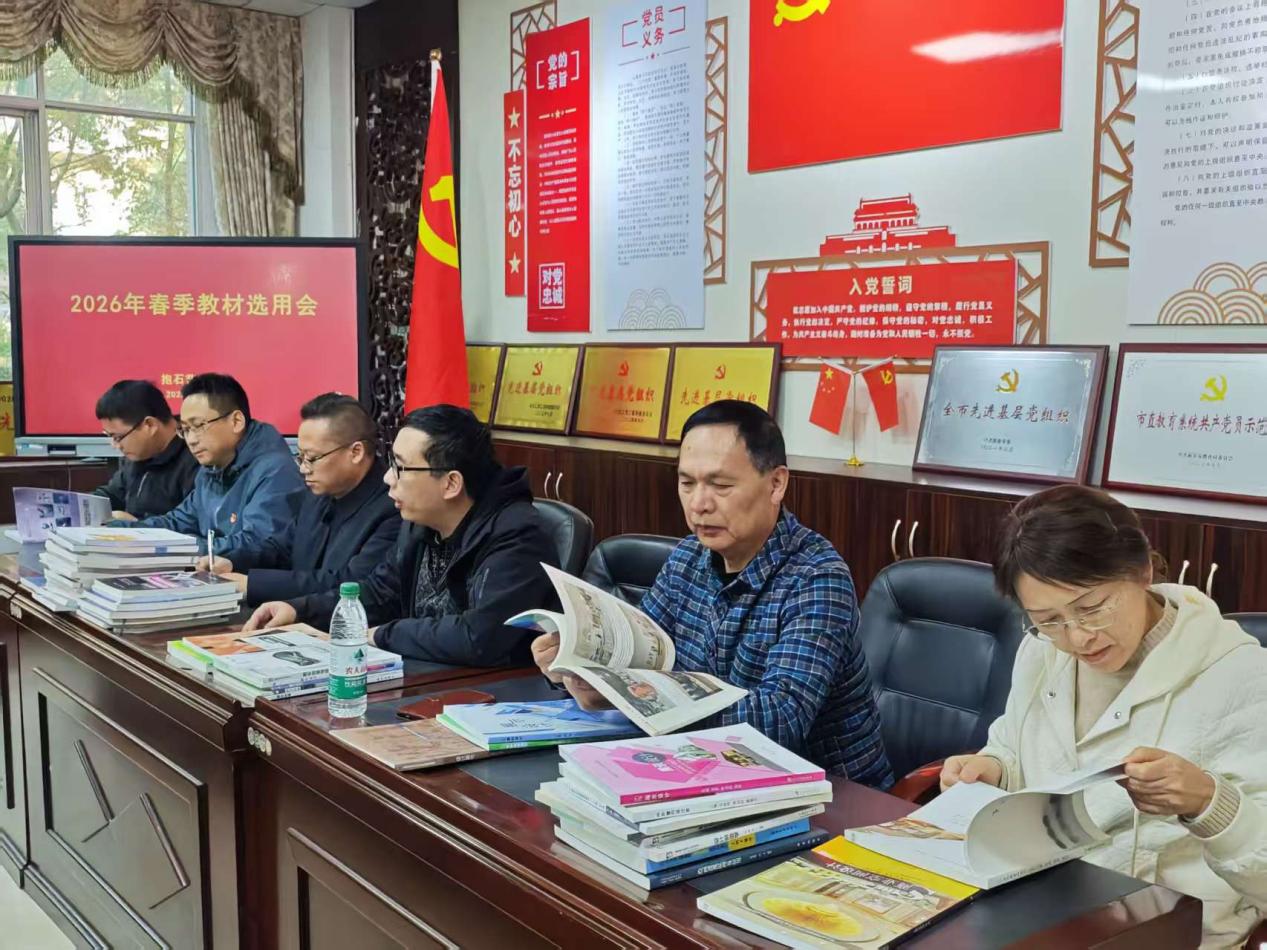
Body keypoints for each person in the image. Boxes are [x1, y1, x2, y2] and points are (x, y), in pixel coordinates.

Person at [940, 485, 1267, 948]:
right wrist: (991, 768)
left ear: (1143, 570)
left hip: (1168, 934)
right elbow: (1015, 747)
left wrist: (1209, 803)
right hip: (1042, 914)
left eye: (1092, 608)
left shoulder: (1243, 677)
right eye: (1048, 620)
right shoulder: (1041, 651)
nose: (1078, 638)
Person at [532, 400, 892, 788]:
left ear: (776, 484)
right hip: (704, 771)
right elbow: (642, 651)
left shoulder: (817, 577)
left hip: (828, 795)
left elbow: (779, 720)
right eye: (687, 484)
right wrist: (577, 668)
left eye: (720, 486)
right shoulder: (687, 558)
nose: (699, 504)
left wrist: (637, 697)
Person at [244, 404, 559, 667]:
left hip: (493, 695)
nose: (387, 478)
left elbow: (478, 637)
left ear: (451, 484)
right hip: (428, 678)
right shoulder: (421, 521)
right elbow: (380, 593)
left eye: (401, 468)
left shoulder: (517, 535)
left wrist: (378, 636)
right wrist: (300, 610)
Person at [194, 393, 398, 607]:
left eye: (312, 458)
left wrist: (252, 584)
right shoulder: (319, 492)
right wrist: (232, 561)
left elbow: (349, 583)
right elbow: (282, 547)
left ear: (356, 452)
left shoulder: (392, 507)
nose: (303, 469)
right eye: (300, 457)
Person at [127, 373, 305, 564]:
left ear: (236, 421)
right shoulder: (211, 467)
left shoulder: (275, 471)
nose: (191, 440)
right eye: (185, 429)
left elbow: (258, 544)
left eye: (198, 426)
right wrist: (118, 532)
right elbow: (178, 522)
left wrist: (180, 547)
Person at [93, 379, 198, 520]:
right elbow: (113, 495)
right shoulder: (137, 456)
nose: (115, 445)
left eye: (118, 437)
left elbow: (190, 523)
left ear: (150, 424)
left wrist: (135, 524)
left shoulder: (195, 456)